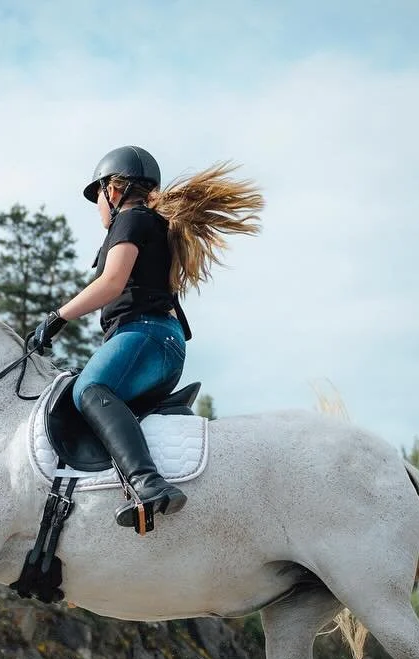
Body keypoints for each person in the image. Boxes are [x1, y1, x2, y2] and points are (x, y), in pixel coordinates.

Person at [27, 145, 263, 530]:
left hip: (145, 336)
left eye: (96, 197)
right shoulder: (151, 223)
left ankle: (147, 483)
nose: (97, 208)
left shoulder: (132, 219)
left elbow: (112, 281)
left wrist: (57, 318)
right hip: (161, 344)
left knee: (89, 389)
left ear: (113, 190)